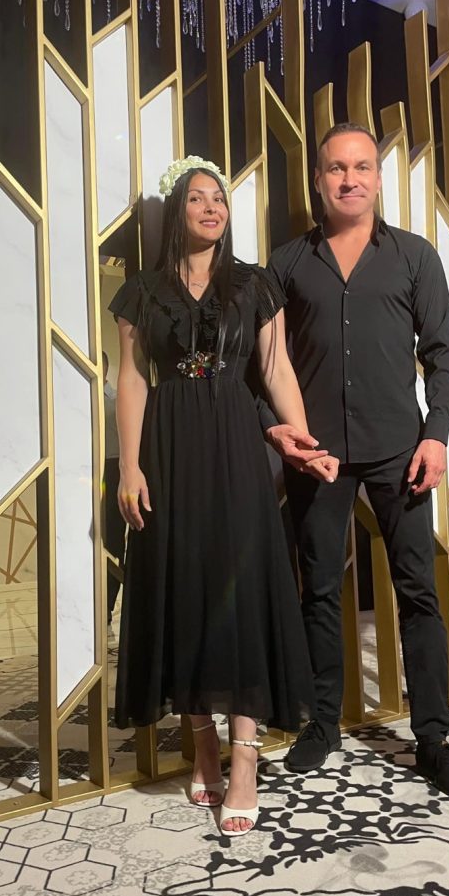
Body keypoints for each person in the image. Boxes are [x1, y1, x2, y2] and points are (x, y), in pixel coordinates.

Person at [110, 156, 337, 836]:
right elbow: (133, 380)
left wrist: (301, 438)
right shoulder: (141, 293)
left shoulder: (254, 284)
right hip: (169, 449)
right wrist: (130, 467)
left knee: (240, 596)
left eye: (220, 198)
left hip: (237, 445)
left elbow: (275, 367)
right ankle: (202, 746)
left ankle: (243, 760)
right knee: (185, 591)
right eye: (198, 198)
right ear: (176, 210)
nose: (212, 207)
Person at [262, 123, 449, 804]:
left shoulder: (415, 256)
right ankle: (322, 725)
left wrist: (436, 435)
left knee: (418, 593)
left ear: (379, 179)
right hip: (319, 457)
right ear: (319, 180)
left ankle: (433, 740)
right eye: (336, 168)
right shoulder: (286, 265)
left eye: (361, 167)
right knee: (319, 592)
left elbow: (443, 355)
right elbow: (261, 363)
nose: (349, 178)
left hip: (400, 450)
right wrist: (277, 431)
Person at [102, 352, 126, 631]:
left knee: (113, 544)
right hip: (84, 472)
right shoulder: (73, 402)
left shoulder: (118, 401)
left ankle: (106, 611)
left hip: (114, 470)